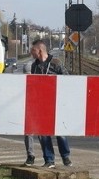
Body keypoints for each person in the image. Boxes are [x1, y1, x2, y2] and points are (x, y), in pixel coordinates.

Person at [30, 38, 72, 168]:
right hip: (41, 104)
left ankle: (66, 157)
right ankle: (49, 159)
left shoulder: (56, 63)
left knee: (60, 132)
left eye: (33, 50)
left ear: (40, 50)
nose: (31, 53)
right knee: (43, 133)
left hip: (56, 102)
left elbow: (67, 79)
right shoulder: (34, 66)